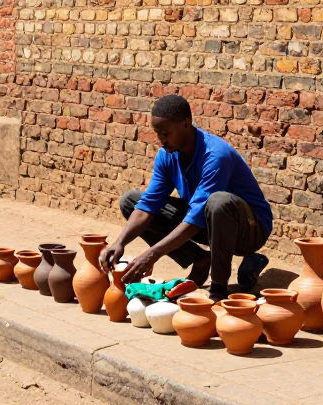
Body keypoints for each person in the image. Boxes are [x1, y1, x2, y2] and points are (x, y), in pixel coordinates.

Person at [99, 94, 274, 301]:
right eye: (157, 133)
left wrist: (152, 254)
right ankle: (200, 259)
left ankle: (218, 289)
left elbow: (197, 217)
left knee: (218, 202)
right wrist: (120, 242)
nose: (161, 140)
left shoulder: (215, 155)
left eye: (166, 133)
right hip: (208, 222)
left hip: (250, 229)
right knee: (131, 201)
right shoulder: (167, 155)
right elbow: (148, 205)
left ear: (186, 123)